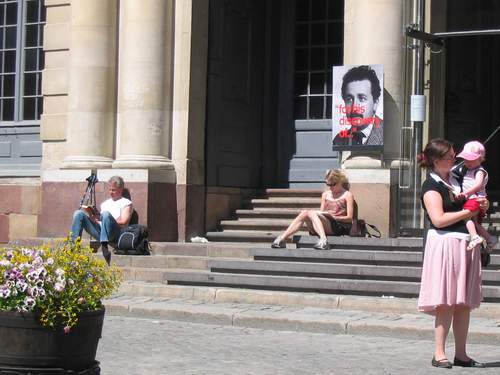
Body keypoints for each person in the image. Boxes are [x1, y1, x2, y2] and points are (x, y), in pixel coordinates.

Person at [417, 139, 488, 369]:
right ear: (436, 160)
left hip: (466, 244)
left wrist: (481, 206)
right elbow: (438, 219)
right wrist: (468, 211)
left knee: (463, 303)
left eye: (453, 155)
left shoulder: (457, 180)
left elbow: (471, 205)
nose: (454, 159)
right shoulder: (431, 186)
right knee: (446, 302)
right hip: (445, 244)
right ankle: (439, 353)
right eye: (449, 157)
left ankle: (461, 353)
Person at [271, 169, 354, 250]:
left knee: (310, 212)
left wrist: (334, 217)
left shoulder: (347, 195)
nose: (330, 187)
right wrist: (323, 214)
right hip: (324, 225)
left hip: (337, 226)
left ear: (340, 181)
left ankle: (323, 240)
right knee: (306, 212)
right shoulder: (325, 194)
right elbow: (321, 213)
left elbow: (349, 218)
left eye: (333, 184)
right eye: (328, 184)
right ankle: (282, 239)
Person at [70, 175, 133, 265]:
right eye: (110, 189)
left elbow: (124, 221)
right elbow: (101, 220)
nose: (111, 192)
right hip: (101, 231)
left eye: (113, 190)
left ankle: (104, 246)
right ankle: (74, 247)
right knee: (78, 213)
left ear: (121, 189)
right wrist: (94, 217)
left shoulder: (126, 203)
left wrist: (106, 218)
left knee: (106, 214)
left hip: (115, 234)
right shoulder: (105, 204)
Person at [453, 141, 498, 250]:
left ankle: (474, 237)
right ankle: (490, 238)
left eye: (471, 159)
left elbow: (478, 185)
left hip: (475, 198)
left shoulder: (479, 171)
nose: (467, 162)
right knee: (475, 222)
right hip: (473, 199)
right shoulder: (467, 169)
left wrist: (466, 193)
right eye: (465, 159)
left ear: (480, 159)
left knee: (466, 217)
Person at [332, 65, 383, 147]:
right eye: (349, 99)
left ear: (375, 103)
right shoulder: (338, 140)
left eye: (362, 98)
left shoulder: (388, 133)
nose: (354, 107)